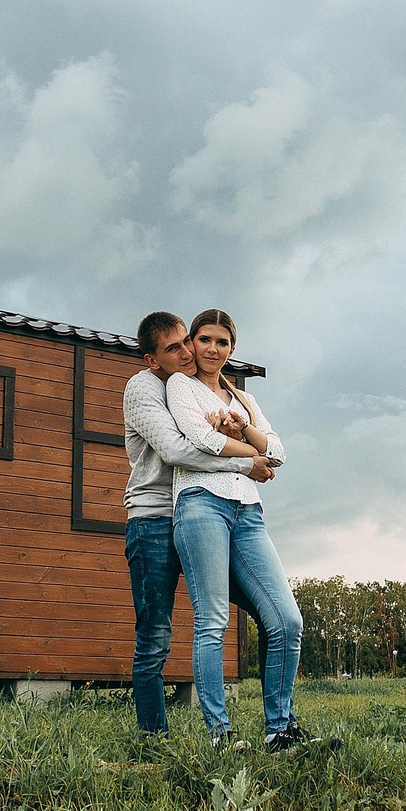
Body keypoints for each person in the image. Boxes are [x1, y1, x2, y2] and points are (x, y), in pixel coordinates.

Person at [122, 311, 275, 740]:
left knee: (269, 612)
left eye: (185, 341)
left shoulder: (195, 389)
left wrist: (244, 442)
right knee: (155, 634)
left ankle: (277, 726)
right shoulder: (143, 387)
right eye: (174, 348)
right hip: (153, 518)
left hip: (200, 514)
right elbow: (174, 449)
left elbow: (236, 437)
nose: (189, 351)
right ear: (152, 360)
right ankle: (155, 736)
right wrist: (248, 463)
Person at [165, 309, 307, 751]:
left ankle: (279, 730)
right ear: (192, 342)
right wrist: (251, 454)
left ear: (232, 349)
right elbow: (200, 441)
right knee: (213, 620)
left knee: (286, 619)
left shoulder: (243, 401)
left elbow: (280, 452)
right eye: (204, 339)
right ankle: (220, 735)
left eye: (222, 342)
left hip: (248, 512)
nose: (212, 349)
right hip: (200, 504)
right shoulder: (180, 386)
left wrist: (240, 426)